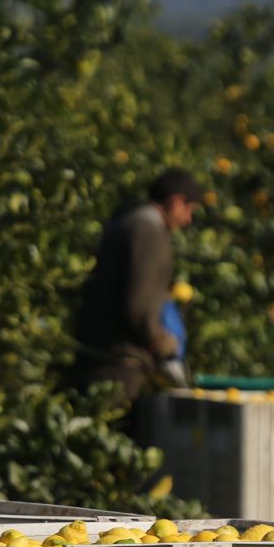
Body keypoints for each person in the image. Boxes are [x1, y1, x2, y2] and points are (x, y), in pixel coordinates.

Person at [72, 168, 203, 407]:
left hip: (97, 354)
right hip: (118, 363)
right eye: (189, 210)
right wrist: (164, 343)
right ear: (175, 202)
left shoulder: (127, 221)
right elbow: (138, 307)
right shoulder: (150, 230)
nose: (188, 220)